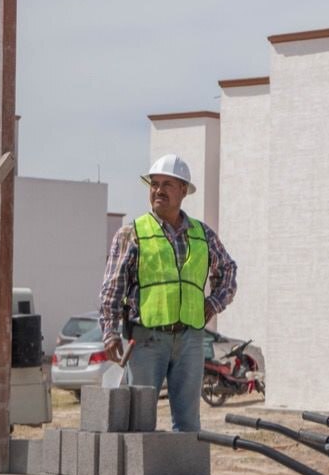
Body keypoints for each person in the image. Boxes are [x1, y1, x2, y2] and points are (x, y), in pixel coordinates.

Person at [98, 154, 237, 432]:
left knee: (188, 424)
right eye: (154, 184)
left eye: (167, 185)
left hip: (190, 340)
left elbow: (229, 272)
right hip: (147, 339)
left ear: (183, 190)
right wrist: (110, 332)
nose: (158, 190)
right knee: (139, 421)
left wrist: (213, 303)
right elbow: (113, 287)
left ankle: (183, 474)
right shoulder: (132, 233)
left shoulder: (203, 234)